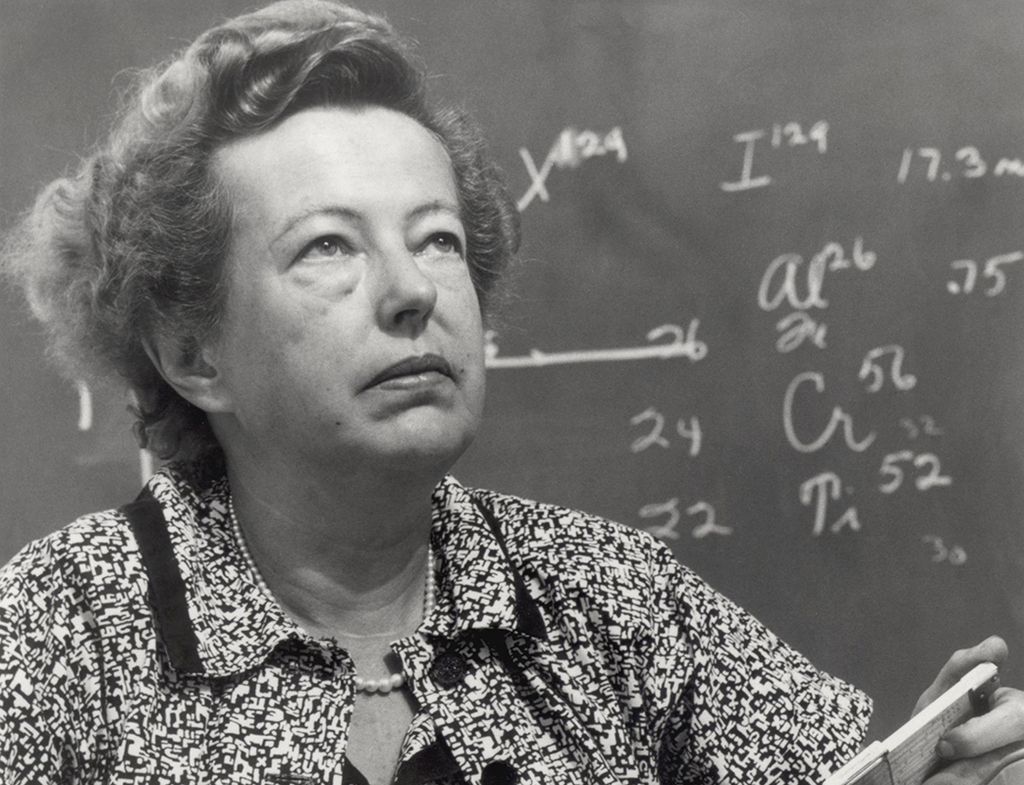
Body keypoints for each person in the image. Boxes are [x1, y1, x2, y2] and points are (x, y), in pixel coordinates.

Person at [1, 2, 1022, 783]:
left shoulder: (614, 600)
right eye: (327, 247)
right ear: (193, 353)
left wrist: (933, 769)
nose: (412, 291)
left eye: (438, 239)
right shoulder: (53, 638)